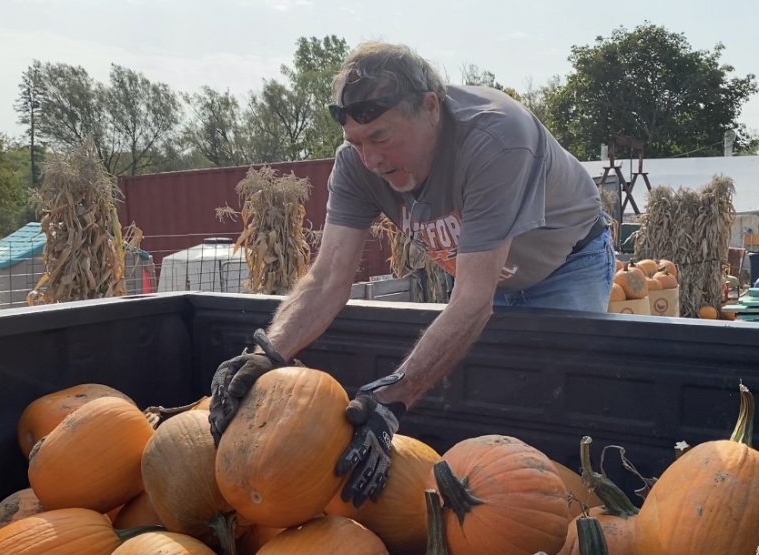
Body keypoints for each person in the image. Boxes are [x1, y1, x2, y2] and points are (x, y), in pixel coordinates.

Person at [209, 41, 613, 507]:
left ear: (430, 107)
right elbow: (327, 279)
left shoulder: (496, 141)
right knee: (493, 402)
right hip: (481, 277)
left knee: (556, 401)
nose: (371, 160)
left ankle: (568, 513)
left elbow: (471, 302)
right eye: (356, 142)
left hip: (564, 265)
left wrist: (392, 399)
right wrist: (270, 351)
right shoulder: (357, 166)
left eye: (381, 137)